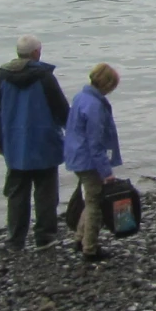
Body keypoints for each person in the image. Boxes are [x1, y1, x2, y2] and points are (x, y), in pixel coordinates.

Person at [0, 35, 69, 248]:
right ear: (36, 53)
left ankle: (15, 239)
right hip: (44, 142)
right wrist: (72, 132)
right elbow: (60, 109)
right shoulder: (44, 77)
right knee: (46, 193)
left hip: (15, 145)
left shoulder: (2, 77)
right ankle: (45, 236)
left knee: (16, 193)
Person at [63, 63, 125, 261]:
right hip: (88, 161)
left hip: (76, 156)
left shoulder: (81, 97)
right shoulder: (95, 106)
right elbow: (95, 142)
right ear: (106, 84)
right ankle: (90, 248)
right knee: (94, 204)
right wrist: (106, 172)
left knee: (89, 199)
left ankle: (80, 238)